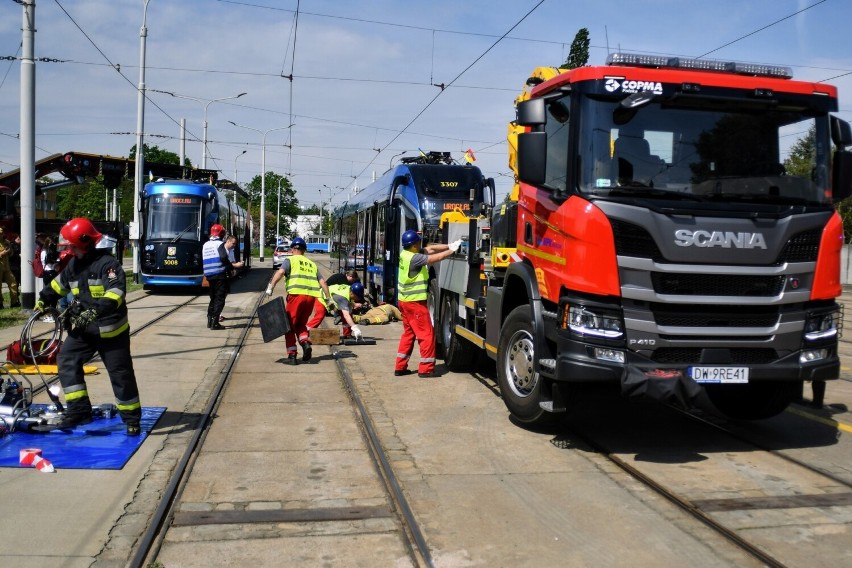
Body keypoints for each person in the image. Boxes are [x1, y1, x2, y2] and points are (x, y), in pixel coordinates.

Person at [33, 217, 142, 435]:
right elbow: (58, 285)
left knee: (120, 374)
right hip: (84, 329)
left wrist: (96, 310)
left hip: (111, 332)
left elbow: (116, 293)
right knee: (67, 359)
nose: (70, 249)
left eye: (73, 245)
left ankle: (131, 419)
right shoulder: (73, 265)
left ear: (85, 242)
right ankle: (79, 410)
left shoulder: (108, 265)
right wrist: (44, 299)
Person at [395, 230, 461, 378]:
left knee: (408, 334)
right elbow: (434, 258)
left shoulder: (405, 254)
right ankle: (426, 369)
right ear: (413, 245)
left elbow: (430, 248)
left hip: (404, 302)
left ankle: (400, 367)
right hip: (415, 303)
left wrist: (449, 245)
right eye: (418, 242)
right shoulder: (415, 258)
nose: (421, 243)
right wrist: (451, 251)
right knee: (427, 335)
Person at [265, 236, 331, 365]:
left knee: (288, 326)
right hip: (310, 298)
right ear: (304, 250)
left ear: (292, 249)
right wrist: (328, 298)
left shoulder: (290, 260)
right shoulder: (312, 264)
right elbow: (322, 282)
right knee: (300, 324)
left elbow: (280, 273)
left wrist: (270, 287)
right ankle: (305, 343)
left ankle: (292, 355)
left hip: (296, 296)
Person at [202, 224, 244, 330]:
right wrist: (232, 267)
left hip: (209, 275)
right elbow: (223, 257)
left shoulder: (206, 245)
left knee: (213, 299)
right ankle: (215, 323)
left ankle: (209, 321)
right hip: (219, 274)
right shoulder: (220, 244)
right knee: (220, 299)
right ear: (221, 234)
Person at [0, 227, 20, 309]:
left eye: (2, 233)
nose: (1, 235)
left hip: (7, 267)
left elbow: (11, 253)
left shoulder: (6, 242)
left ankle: (14, 302)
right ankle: (0, 303)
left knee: (13, 284)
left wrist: (9, 251)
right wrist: (2, 253)